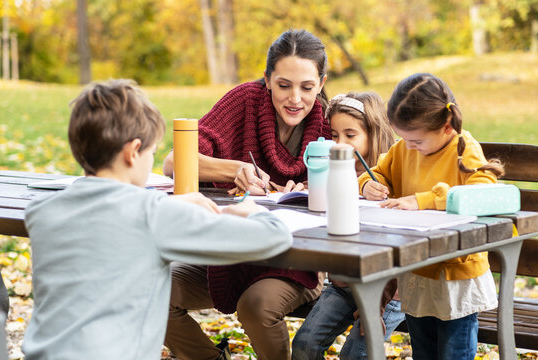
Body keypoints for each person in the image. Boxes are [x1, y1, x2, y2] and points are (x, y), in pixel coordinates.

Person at [22, 79, 294, 360]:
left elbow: (111, 216)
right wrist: (253, 211)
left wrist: (168, 204)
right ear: (132, 152)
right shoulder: (152, 215)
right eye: (151, 153)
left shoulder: (43, 210)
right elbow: (274, 238)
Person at [163, 29, 330, 360]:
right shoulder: (244, 101)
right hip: (229, 254)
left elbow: (358, 179)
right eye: (284, 85)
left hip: (299, 262)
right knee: (151, 286)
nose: (295, 98)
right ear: (267, 79)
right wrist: (233, 169)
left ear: (321, 84)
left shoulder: (327, 122)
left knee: (256, 306)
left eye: (307, 87)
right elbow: (174, 162)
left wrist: (312, 190)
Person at [359, 73, 504, 360]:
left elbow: (483, 194)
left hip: (455, 274)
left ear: (446, 127)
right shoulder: (404, 148)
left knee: (453, 353)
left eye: (416, 140)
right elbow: (373, 172)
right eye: (404, 139)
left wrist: (422, 200)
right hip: (417, 272)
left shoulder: (464, 148)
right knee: (422, 352)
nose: (408, 147)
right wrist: (368, 185)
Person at [292, 92, 403, 360]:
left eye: (350, 135)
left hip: (388, 293)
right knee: (303, 346)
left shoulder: (389, 178)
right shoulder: (333, 173)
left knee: (355, 355)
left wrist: (374, 308)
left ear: (374, 134)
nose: (338, 143)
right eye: (333, 135)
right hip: (343, 286)